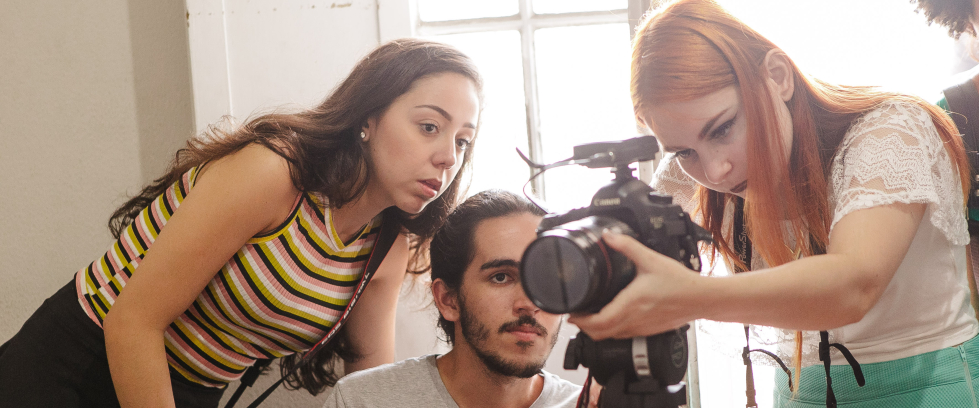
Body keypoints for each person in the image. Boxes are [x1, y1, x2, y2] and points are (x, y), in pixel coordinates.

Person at [0, 38, 483, 408]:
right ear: (368, 118)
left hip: (192, 392)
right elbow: (132, 322)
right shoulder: (275, 174)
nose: (448, 157)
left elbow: (368, 381)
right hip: (78, 363)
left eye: (463, 141)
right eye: (429, 127)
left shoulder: (385, 247)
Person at [567, 0, 979, 406]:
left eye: (722, 128)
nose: (716, 172)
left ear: (778, 76)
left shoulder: (890, 130)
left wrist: (687, 296)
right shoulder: (686, 176)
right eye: (683, 151)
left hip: (928, 393)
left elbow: (853, 286)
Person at [322, 190, 583, 408]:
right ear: (448, 299)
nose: (530, 303)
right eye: (501, 277)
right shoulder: (361, 401)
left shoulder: (588, 403)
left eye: (547, 278)